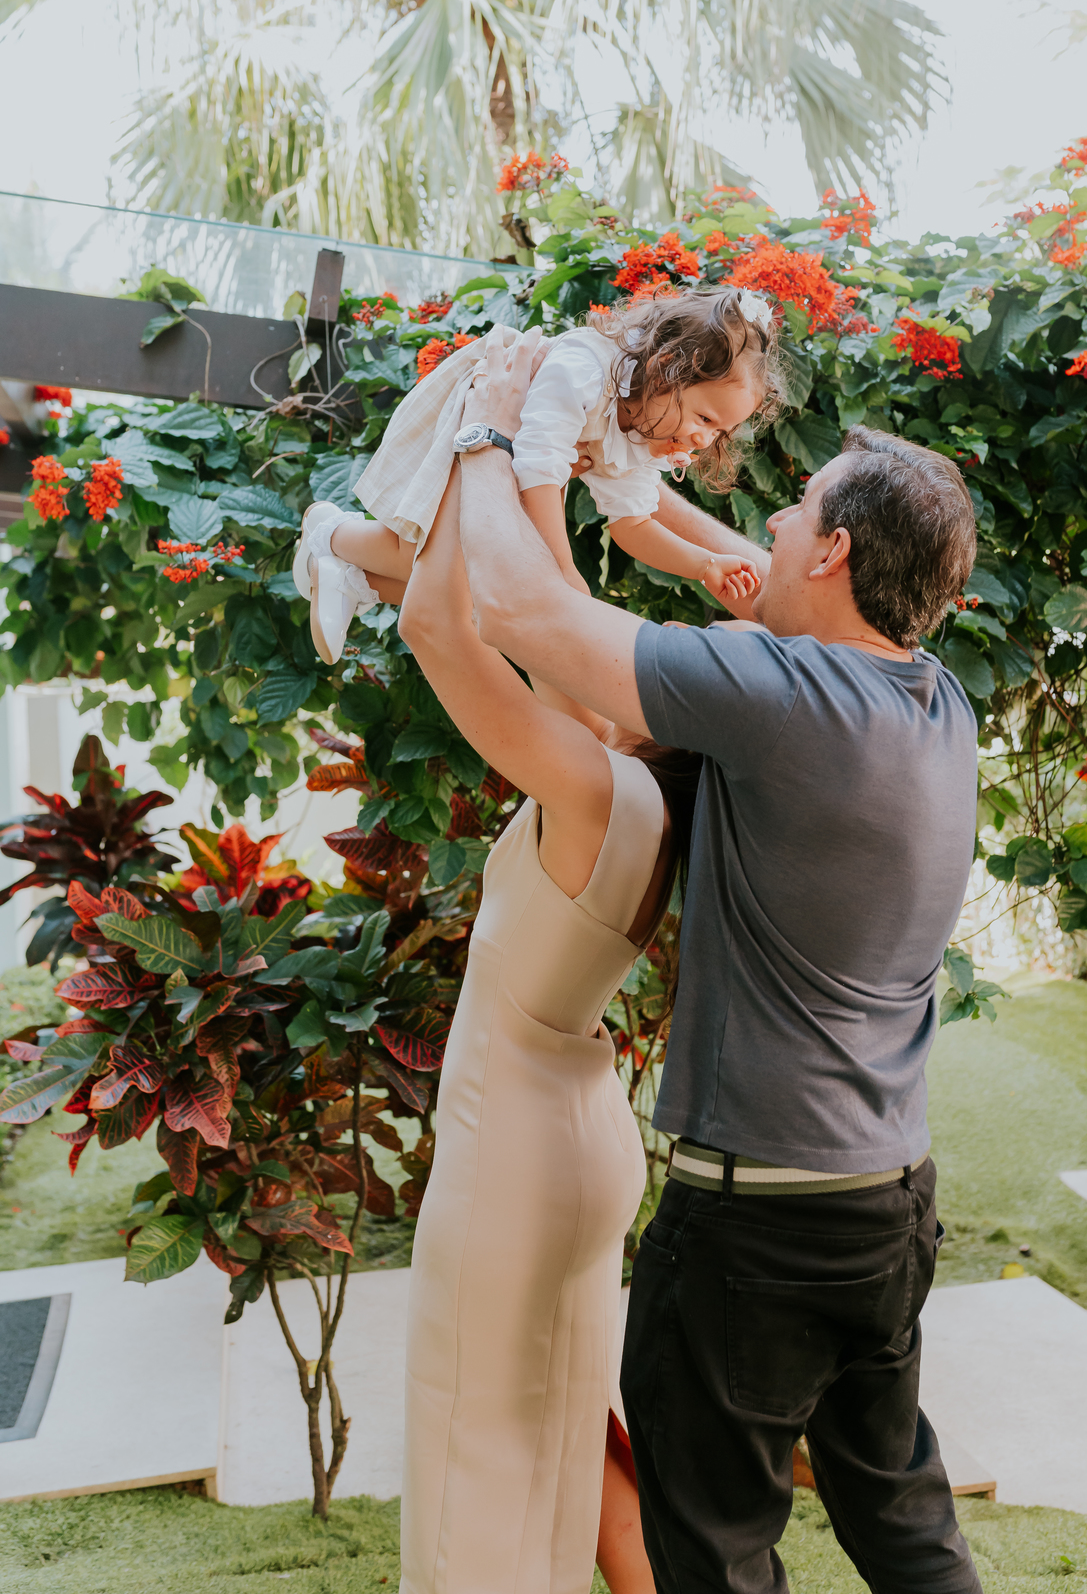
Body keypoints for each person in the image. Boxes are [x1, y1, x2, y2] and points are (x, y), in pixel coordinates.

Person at [452, 339, 985, 1594]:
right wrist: (649, 498)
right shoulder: (934, 701)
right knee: (906, 1529)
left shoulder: (778, 694)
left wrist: (495, 435)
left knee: (716, 1560)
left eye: (796, 514)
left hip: (756, 1231)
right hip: (883, 1206)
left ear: (839, 552)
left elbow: (528, 612)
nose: (773, 523)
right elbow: (755, 597)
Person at [392, 377, 769, 1594]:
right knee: (561, 1448)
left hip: (513, 1153)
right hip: (581, 1145)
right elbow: (535, 621)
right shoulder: (642, 791)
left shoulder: (593, 782)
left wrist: (486, 440)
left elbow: (445, 632)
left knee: (476, 1467)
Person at [292, 289, 780, 663]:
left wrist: (703, 563)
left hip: (508, 458)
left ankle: (347, 575)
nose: (704, 440)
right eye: (705, 419)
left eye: (721, 431)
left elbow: (633, 523)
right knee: (422, 551)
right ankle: (329, 531)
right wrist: (560, 567)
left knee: (465, 586)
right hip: (480, 414)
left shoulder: (646, 430)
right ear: (668, 368)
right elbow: (539, 468)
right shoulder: (585, 372)